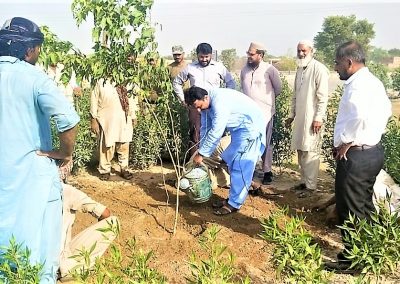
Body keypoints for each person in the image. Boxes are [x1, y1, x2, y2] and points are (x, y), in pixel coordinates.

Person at [0, 17, 79, 283]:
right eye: (38, 48)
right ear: (28, 49)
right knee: (40, 247)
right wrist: (64, 153)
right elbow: (68, 121)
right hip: (31, 177)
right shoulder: (34, 78)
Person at [326, 41, 392, 270]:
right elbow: (387, 112)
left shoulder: (357, 86)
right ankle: (370, 252)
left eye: (337, 63)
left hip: (356, 156)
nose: (335, 67)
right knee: (363, 205)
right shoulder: (372, 81)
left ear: (349, 62)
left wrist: (346, 142)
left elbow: (358, 116)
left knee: (350, 210)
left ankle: (353, 262)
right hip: (372, 151)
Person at [184, 86, 266, 215]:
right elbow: (206, 128)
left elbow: (216, 132)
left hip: (250, 129)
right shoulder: (206, 103)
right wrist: (201, 150)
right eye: (196, 108)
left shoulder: (219, 103)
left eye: (199, 106)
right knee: (230, 159)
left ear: (205, 97)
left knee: (240, 164)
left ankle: (234, 204)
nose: (199, 110)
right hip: (238, 131)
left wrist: (202, 155)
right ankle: (238, 194)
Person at [173, 43, 235, 156]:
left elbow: (230, 82)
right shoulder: (190, 67)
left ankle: (215, 164)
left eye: (207, 57)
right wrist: (183, 100)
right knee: (195, 134)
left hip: (214, 106)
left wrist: (225, 98)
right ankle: (194, 165)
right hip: (196, 106)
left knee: (216, 132)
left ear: (211, 55)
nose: (204, 59)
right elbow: (176, 82)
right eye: (201, 57)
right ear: (197, 55)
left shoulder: (219, 67)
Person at [285, 40, 329, 197]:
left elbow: (323, 97)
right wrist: (291, 115)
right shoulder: (300, 68)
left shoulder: (319, 69)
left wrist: (318, 118)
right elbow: (295, 95)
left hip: (312, 119)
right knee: (301, 150)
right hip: (300, 118)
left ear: (311, 51)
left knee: (310, 151)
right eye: (299, 51)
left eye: (304, 50)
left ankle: (311, 187)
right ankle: (303, 182)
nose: (301, 53)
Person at [241, 42, 282, 185]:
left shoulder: (270, 70)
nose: (249, 56)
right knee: (249, 141)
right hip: (248, 114)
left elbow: (278, 89)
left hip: (265, 113)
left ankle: (267, 171)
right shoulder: (244, 70)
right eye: (248, 53)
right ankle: (249, 168)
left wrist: (265, 101)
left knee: (266, 142)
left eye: (251, 54)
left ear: (260, 55)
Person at [59, 183, 118, 280]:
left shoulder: (27, 188)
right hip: (59, 263)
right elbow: (105, 213)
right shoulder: (66, 190)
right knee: (113, 222)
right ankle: (71, 268)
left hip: (32, 260)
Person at [90, 79, 137, 181]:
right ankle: (105, 170)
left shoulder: (128, 80)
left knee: (124, 144)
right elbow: (94, 98)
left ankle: (124, 168)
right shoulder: (101, 80)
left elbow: (132, 98)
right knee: (107, 145)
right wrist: (93, 119)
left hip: (124, 117)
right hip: (107, 118)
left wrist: (133, 115)